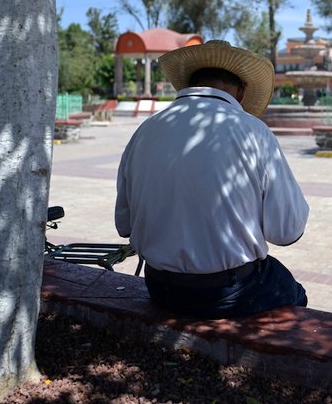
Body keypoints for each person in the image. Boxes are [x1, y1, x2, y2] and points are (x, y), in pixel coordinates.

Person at [114, 40, 309, 319]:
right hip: (226, 291)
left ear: (188, 84)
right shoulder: (254, 132)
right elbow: (288, 231)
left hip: (158, 286)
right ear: (241, 92)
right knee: (293, 292)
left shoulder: (145, 130)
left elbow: (124, 224)